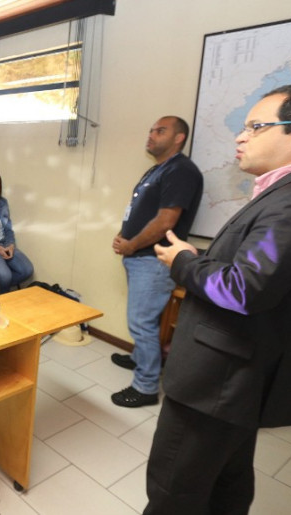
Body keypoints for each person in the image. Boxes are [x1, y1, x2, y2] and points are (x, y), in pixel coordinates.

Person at [145, 84, 291, 514]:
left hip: (219, 381)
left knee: (173, 494)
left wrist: (184, 261)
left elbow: (242, 289)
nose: (241, 137)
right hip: (237, 380)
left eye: (256, 127)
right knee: (227, 483)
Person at [109, 115, 203, 409]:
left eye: (160, 131)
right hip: (138, 256)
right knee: (142, 319)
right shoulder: (156, 170)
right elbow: (138, 210)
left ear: (179, 138)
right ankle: (139, 358)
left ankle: (146, 387)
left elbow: (166, 221)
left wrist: (132, 244)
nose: (151, 135)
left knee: (142, 323)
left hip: (154, 259)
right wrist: (123, 235)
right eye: (150, 130)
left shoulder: (181, 171)